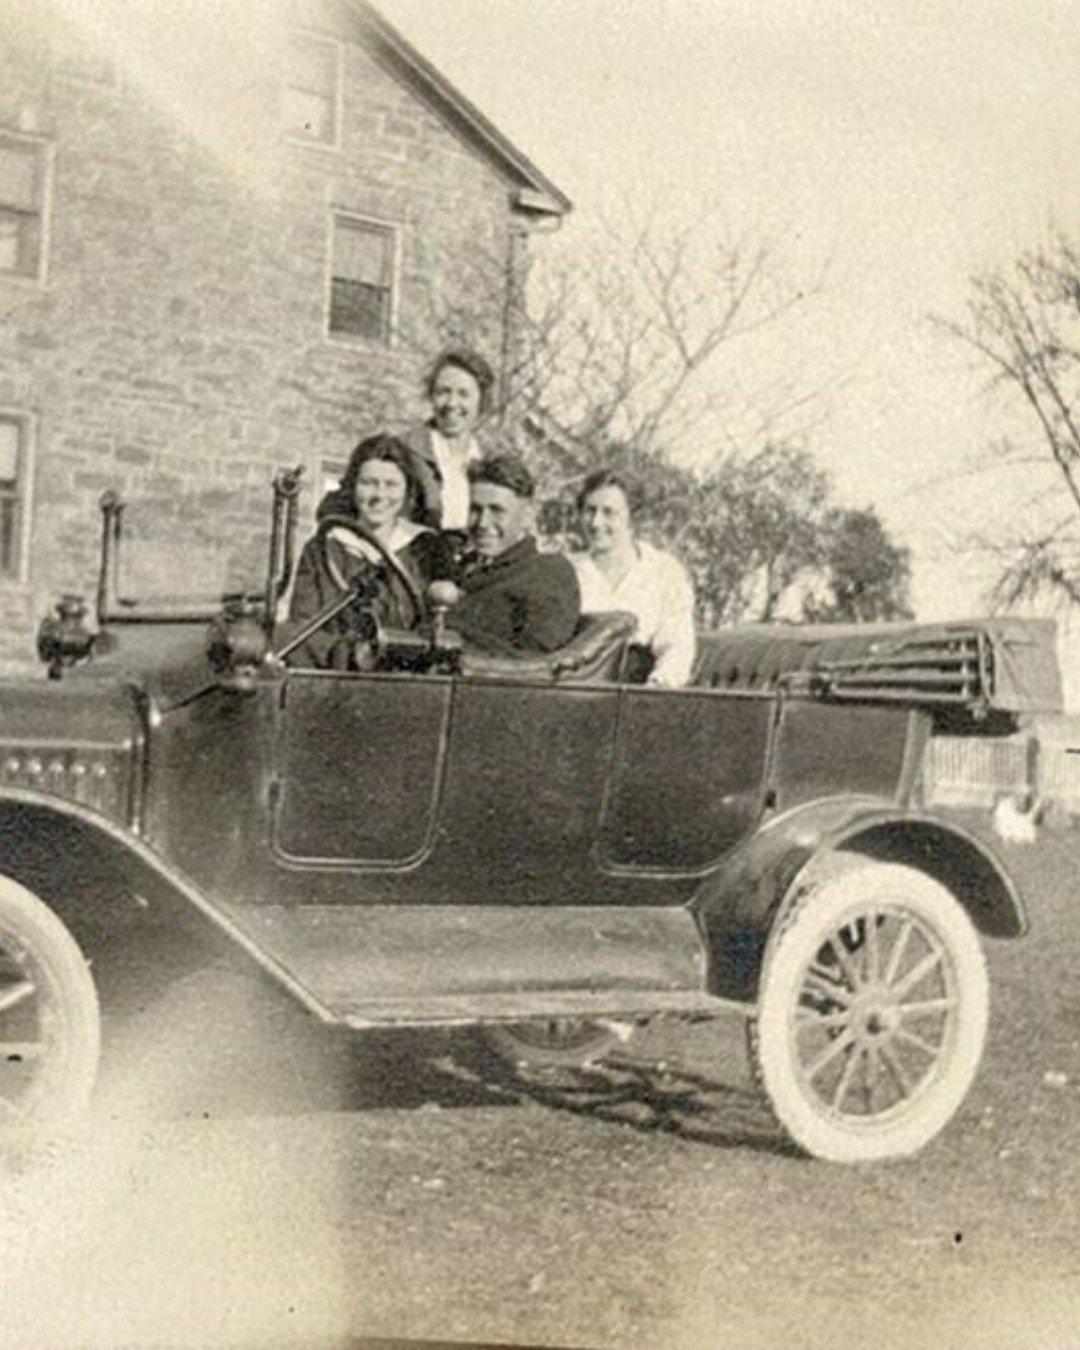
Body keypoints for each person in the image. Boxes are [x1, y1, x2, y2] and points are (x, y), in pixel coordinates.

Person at [288, 434, 455, 667]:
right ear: (352, 487)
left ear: (407, 491)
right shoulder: (323, 548)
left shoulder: (427, 548)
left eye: (391, 485)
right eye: (368, 483)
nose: (379, 495)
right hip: (336, 674)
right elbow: (303, 628)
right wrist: (351, 656)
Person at [319, 346, 495, 533]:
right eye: (443, 392)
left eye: (463, 394)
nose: (452, 403)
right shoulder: (399, 451)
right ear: (431, 396)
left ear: (481, 401)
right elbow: (337, 509)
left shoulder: (489, 462)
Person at [571, 468, 696, 686]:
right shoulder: (569, 571)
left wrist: (656, 686)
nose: (596, 523)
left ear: (632, 517)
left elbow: (677, 646)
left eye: (609, 512)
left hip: (639, 690)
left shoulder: (663, 571)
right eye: (590, 511)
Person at [453, 455, 580, 656]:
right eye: (475, 509)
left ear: (527, 514)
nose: (483, 522)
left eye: (497, 510)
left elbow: (534, 662)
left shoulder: (547, 572)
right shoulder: (463, 565)